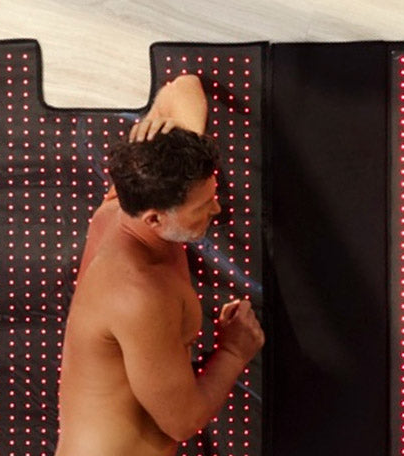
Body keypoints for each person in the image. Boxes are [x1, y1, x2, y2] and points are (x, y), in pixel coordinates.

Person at [55, 75, 265, 456]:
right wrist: (235, 351)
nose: (216, 208)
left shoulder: (135, 196)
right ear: (155, 218)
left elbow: (183, 89)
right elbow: (182, 421)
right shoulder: (137, 294)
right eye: (203, 206)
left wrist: (160, 132)